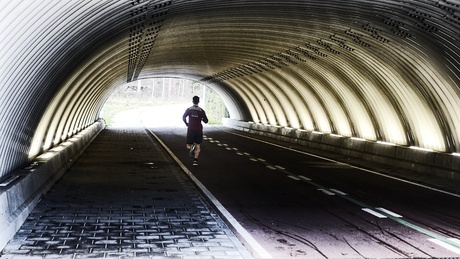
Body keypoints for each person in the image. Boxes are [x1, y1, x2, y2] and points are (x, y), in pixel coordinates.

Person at [182, 96, 208, 166]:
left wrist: (187, 123)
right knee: (198, 145)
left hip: (191, 129)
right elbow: (206, 121)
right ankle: (195, 160)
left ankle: (191, 149)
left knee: (188, 145)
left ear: (192, 101)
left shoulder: (189, 109)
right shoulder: (201, 111)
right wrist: (202, 119)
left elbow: (183, 117)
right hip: (198, 130)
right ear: (198, 101)